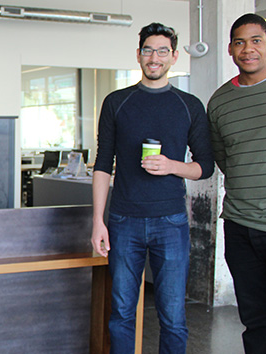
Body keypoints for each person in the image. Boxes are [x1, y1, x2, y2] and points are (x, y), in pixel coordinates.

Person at [90, 23, 214, 353]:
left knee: (173, 317)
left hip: (170, 222)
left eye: (162, 51)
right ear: (138, 54)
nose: (154, 57)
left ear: (174, 56)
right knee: (121, 314)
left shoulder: (189, 105)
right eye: (148, 50)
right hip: (123, 220)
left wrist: (172, 166)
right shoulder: (117, 102)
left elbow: (205, 166)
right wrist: (98, 221)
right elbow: (103, 164)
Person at [207, 13, 266, 354]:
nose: (248, 49)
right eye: (240, 42)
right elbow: (224, 158)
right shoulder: (220, 101)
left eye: (256, 40)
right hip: (241, 228)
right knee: (256, 323)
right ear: (230, 49)